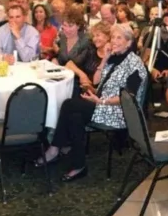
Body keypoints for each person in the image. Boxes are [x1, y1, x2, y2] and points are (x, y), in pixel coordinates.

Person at [43, 22, 144, 182]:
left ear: (129, 42)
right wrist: (105, 59)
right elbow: (96, 81)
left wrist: (101, 101)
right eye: (113, 37)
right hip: (101, 104)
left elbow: (128, 99)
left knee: (69, 105)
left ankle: (55, 148)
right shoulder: (114, 58)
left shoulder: (134, 64)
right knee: (74, 116)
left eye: (119, 38)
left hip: (118, 112)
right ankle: (79, 165)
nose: (115, 41)